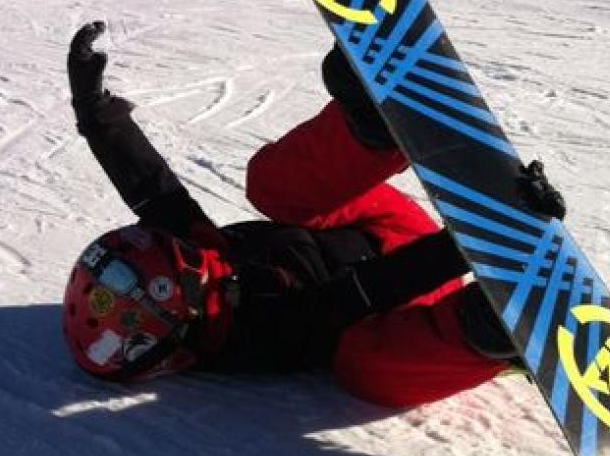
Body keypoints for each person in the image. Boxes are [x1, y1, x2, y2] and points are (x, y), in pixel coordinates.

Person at [61, 21, 565, 408]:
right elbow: (364, 291)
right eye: (183, 256)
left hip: (383, 226)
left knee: (269, 188)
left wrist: (92, 109)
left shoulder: (191, 263)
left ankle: (371, 127)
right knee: (364, 367)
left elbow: (151, 190)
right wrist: (469, 243)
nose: (191, 247)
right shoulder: (258, 337)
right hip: (415, 298)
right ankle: (492, 328)